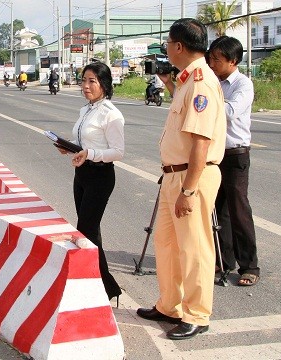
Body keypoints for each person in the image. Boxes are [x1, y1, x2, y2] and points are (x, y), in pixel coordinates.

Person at [136, 18, 227, 340]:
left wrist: (189, 189)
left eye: (167, 44)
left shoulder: (201, 82)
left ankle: (196, 313)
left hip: (191, 177)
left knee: (194, 247)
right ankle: (169, 304)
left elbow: (201, 142)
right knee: (167, 243)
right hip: (174, 175)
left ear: (178, 46)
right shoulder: (187, 81)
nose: (166, 50)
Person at [55, 62, 124, 304]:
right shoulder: (86, 110)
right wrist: (69, 147)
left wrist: (91, 154)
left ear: (104, 84)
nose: (85, 86)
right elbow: (82, 141)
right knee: (91, 232)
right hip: (82, 174)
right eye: (83, 80)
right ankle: (104, 288)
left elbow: (118, 151)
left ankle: (105, 288)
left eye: (92, 81)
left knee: (85, 232)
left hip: (100, 176)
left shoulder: (111, 114)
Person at [207, 36, 259, 286]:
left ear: (233, 60)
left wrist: (206, 101)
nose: (212, 63)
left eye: (217, 59)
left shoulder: (242, 84)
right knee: (218, 211)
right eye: (211, 58)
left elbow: (228, 112)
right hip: (215, 154)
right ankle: (224, 260)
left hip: (236, 154)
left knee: (239, 210)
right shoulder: (212, 82)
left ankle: (249, 266)